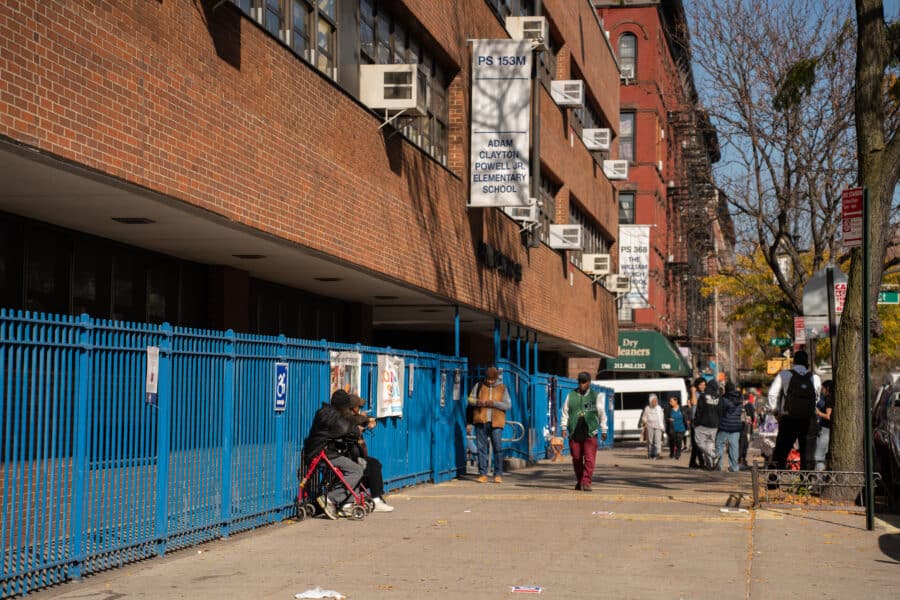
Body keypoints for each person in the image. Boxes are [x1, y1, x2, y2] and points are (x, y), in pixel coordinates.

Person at [302, 390, 366, 519]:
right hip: (322, 452)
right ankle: (331, 499)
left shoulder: (327, 412)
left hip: (323, 450)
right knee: (356, 470)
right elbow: (347, 429)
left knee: (352, 466)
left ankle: (347, 504)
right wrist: (357, 430)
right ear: (343, 406)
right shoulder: (331, 416)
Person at [767, 349, 822, 470]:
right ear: (806, 362)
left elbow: (772, 394)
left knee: (781, 451)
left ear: (794, 362)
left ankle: (773, 482)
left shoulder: (784, 375)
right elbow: (816, 398)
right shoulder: (815, 378)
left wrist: (776, 412)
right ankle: (806, 483)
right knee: (808, 454)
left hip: (789, 419)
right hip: (808, 420)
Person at [345, 394, 394, 512]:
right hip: (349, 457)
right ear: (353, 408)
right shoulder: (349, 419)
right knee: (372, 465)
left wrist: (366, 421)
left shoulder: (355, 418)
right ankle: (376, 500)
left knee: (375, 463)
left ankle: (377, 496)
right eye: (358, 407)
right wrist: (363, 421)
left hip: (356, 456)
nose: (360, 410)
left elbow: (370, 422)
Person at [561, 372, 608, 491]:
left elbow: (602, 414)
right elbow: (565, 412)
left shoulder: (596, 396)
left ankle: (586, 482)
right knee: (576, 458)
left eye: (584, 382)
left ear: (589, 383)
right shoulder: (570, 395)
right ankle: (580, 480)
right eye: (580, 382)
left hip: (590, 431)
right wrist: (563, 427)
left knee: (589, 459)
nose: (581, 384)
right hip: (574, 430)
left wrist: (604, 429)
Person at [467, 366, 511, 483]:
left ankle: (498, 474)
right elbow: (470, 399)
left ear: (496, 378)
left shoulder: (502, 388)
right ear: (485, 377)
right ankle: (483, 474)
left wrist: (494, 403)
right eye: (489, 379)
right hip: (481, 420)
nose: (491, 381)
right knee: (481, 448)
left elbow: (508, 405)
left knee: (497, 448)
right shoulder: (479, 385)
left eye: (493, 379)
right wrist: (477, 402)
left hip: (496, 422)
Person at [715, 381, 744, 472]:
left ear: (726, 389)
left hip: (724, 425)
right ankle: (734, 467)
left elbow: (720, 411)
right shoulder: (740, 400)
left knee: (719, 444)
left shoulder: (723, 399)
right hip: (736, 427)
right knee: (734, 447)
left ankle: (719, 466)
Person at [692, 378, 719, 469]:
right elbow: (721, 411)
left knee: (699, 442)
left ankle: (713, 455)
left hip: (703, 424)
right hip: (715, 425)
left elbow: (699, 411)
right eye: (701, 384)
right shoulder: (718, 397)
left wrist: (696, 422)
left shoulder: (703, 396)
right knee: (710, 444)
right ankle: (710, 464)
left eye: (705, 384)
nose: (703, 386)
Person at [814, 380, 835, 471]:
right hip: (825, 429)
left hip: (825, 430)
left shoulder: (828, 398)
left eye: (823, 388)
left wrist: (818, 412)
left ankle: (819, 480)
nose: (821, 390)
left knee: (819, 456)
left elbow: (828, 416)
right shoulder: (830, 398)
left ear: (827, 388)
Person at [640, 394, 666, 460]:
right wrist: (645, 422)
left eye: (656, 401)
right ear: (650, 401)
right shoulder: (647, 408)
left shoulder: (659, 408)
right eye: (653, 401)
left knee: (657, 441)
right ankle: (650, 453)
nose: (655, 402)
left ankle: (657, 454)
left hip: (658, 426)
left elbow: (662, 417)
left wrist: (662, 426)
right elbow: (644, 417)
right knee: (650, 441)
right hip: (650, 426)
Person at [739, 393, 756, 468]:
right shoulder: (750, 405)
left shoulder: (739, 404)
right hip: (747, 426)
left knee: (741, 442)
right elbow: (752, 416)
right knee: (745, 443)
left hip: (739, 426)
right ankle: (743, 458)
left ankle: (740, 458)